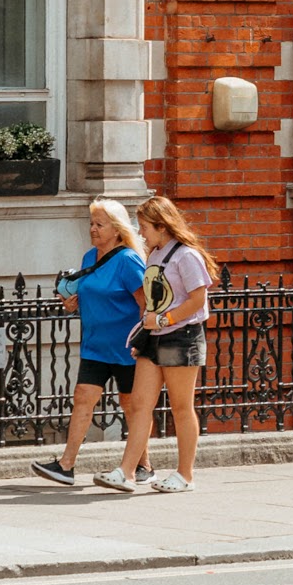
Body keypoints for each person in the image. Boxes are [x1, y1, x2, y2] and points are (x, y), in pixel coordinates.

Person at [99, 196, 218, 494]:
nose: (141, 233)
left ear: (162, 226)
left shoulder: (186, 256)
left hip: (182, 336)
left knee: (180, 407)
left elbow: (198, 300)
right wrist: (146, 332)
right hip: (154, 338)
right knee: (140, 404)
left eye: (145, 227)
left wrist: (163, 321)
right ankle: (126, 471)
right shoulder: (154, 254)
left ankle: (185, 475)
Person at [32, 200, 153, 487]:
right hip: (95, 345)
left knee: (131, 405)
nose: (93, 229)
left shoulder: (128, 260)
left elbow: (144, 303)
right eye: (91, 223)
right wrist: (73, 304)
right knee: (83, 398)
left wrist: (142, 340)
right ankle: (66, 465)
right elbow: (91, 292)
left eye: (100, 224)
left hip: (126, 347)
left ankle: (144, 465)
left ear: (117, 229)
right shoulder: (89, 257)